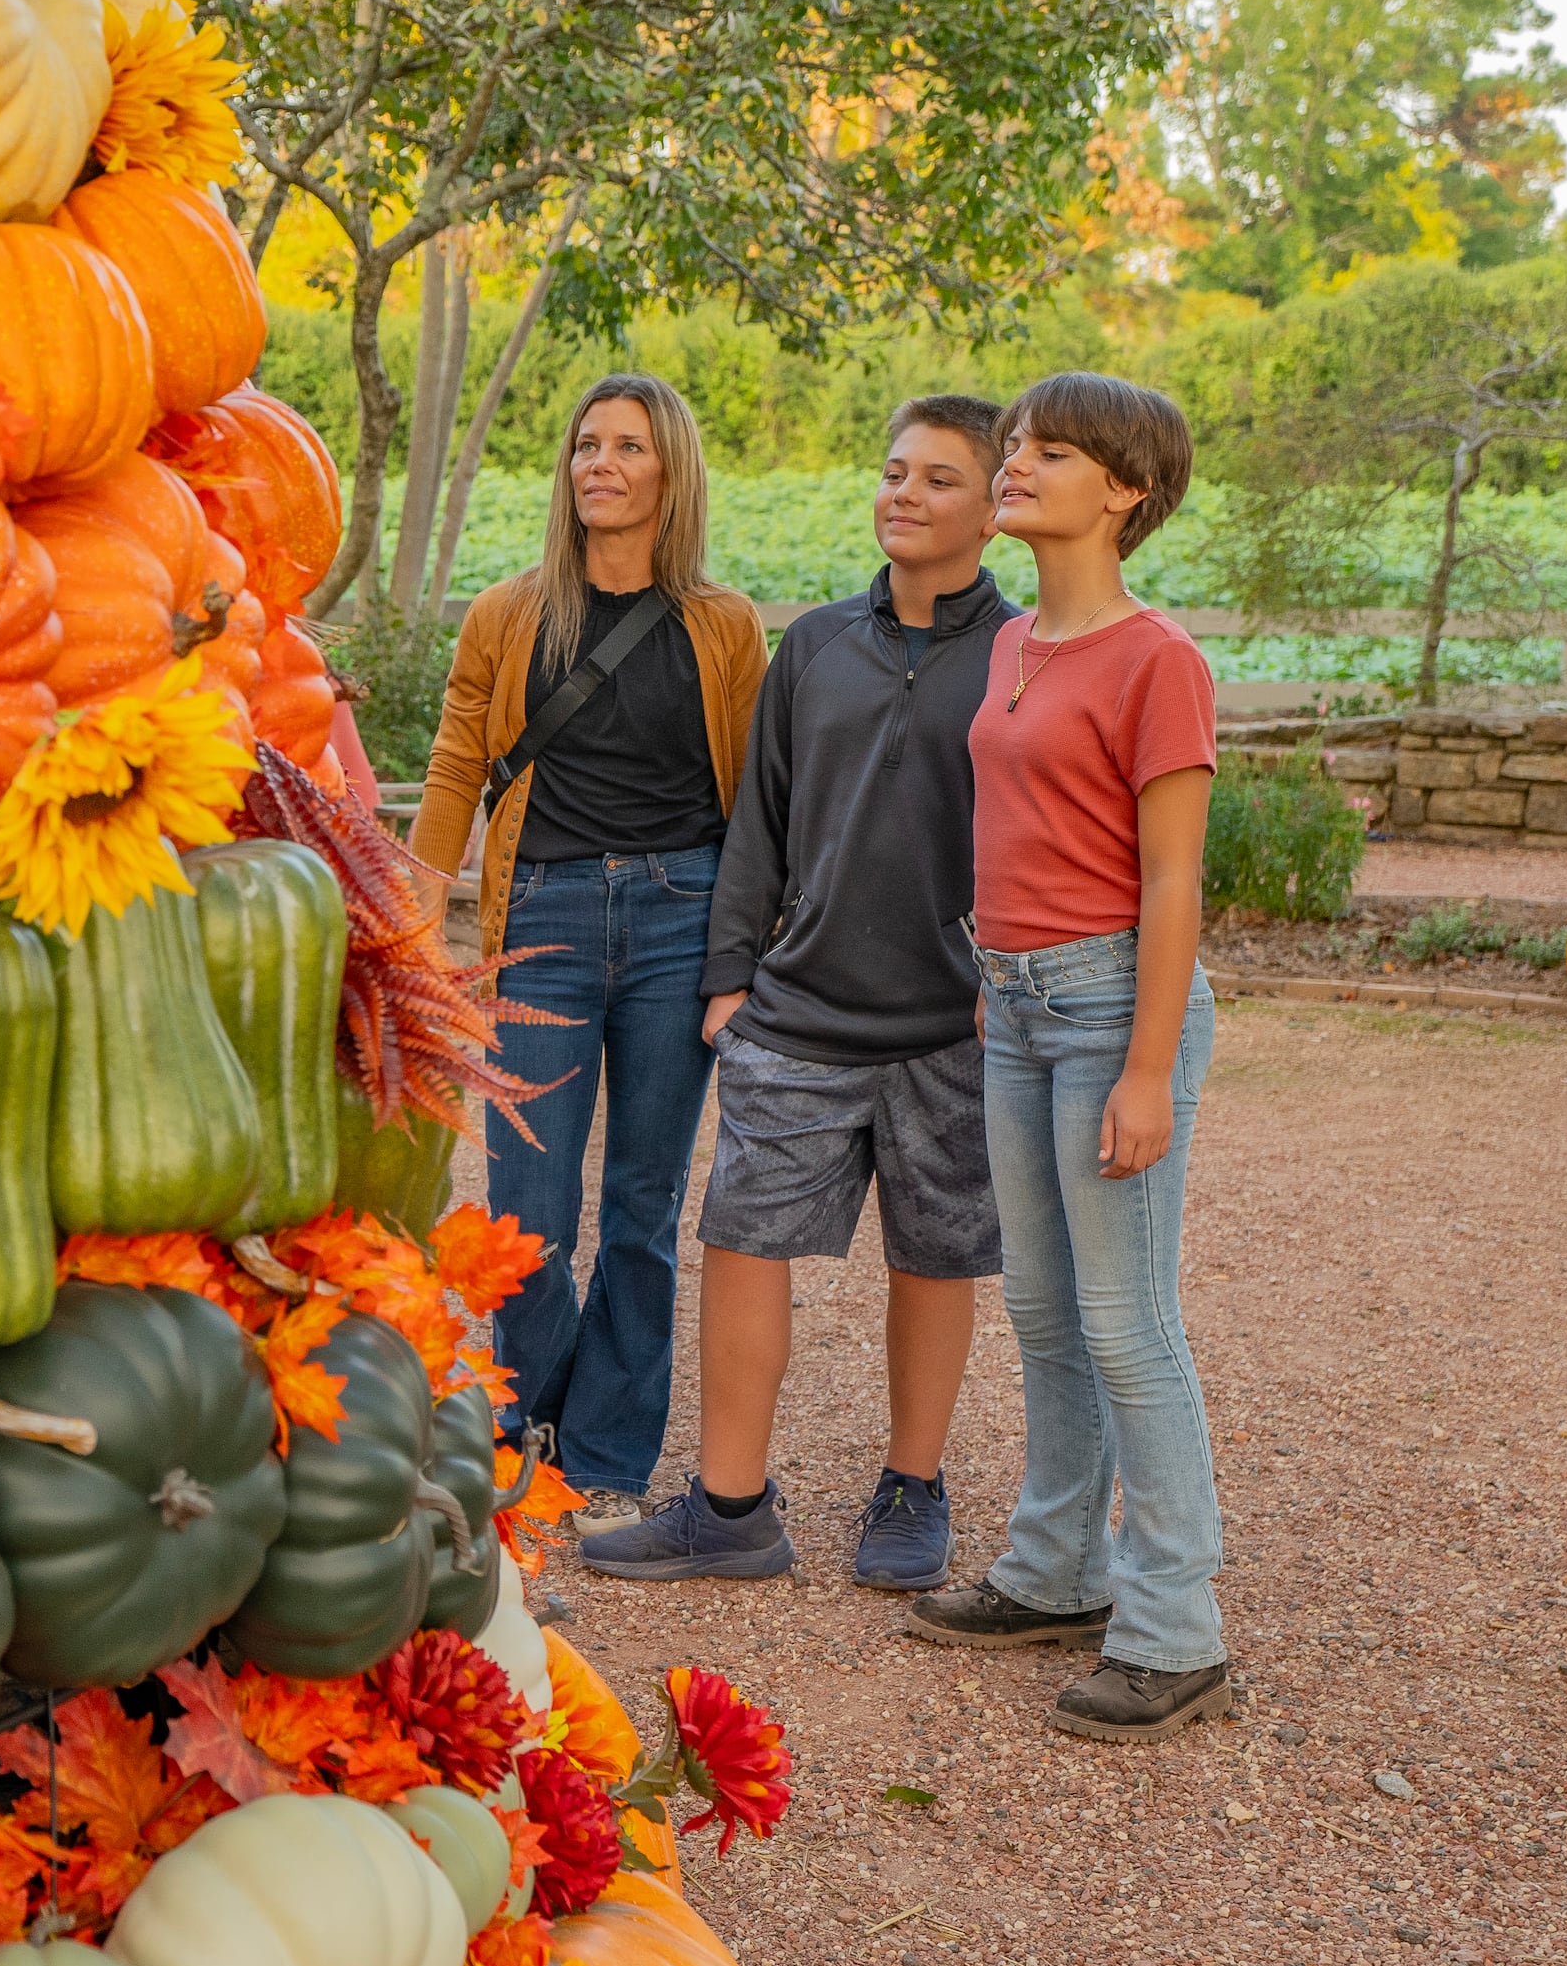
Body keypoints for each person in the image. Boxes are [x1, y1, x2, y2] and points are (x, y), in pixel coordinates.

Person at [580, 396, 1016, 1591]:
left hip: (952, 1026)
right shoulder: (816, 643)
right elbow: (756, 824)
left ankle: (912, 1486)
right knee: (738, 1241)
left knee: (933, 1261)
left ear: (995, 506)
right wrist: (730, 979)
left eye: (937, 478)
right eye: (892, 471)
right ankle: (729, 1510)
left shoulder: (1024, 657)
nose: (904, 495)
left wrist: (1006, 981)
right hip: (800, 1016)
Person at [906, 372, 1232, 1745]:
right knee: (1044, 1309)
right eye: (1018, 446)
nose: (1016, 464)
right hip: (1018, 1006)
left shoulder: (1162, 660)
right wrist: (999, 980)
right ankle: (1057, 1570)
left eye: (1052, 451)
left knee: (1128, 1323)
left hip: (1112, 1010)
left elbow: (1173, 884)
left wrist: (1147, 1068)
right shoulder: (1014, 642)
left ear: (1127, 491)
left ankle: (1176, 1630)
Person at [409, 376, 767, 1535]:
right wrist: (415, 932)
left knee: (644, 1203)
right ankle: (524, 1419)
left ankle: (607, 1446)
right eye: (584, 445)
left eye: (627, 445)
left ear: (672, 471)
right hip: (547, 921)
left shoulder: (725, 625)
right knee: (527, 1206)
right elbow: (459, 769)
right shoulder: (511, 616)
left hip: (681, 917)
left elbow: (758, 800)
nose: (598, 463)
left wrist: (746, 952)